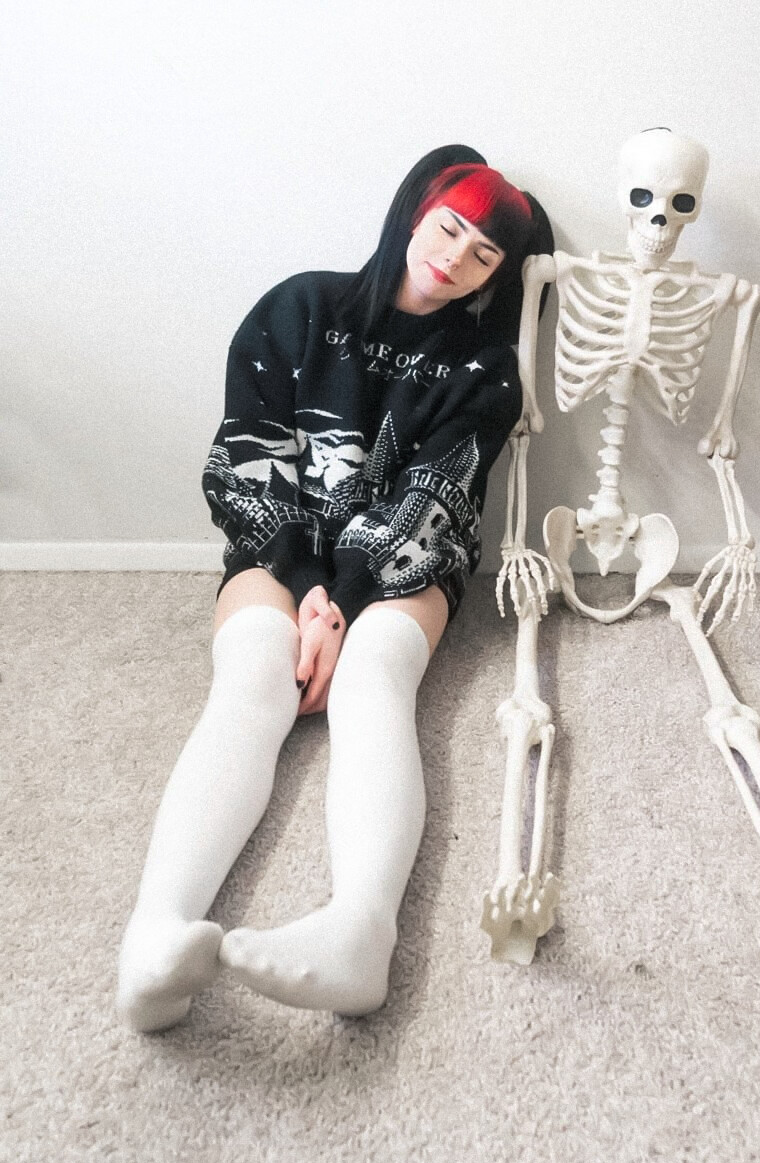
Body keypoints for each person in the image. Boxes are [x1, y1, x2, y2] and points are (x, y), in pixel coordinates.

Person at [116, 145, 553, 1031]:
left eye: (483, 255)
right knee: (251, 675)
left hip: (405, 560)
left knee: (374, 679)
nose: (456, 259)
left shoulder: (485, 368)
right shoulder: (299, 307)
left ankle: (362, 933)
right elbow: (247, 455)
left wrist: (346, 606)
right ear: (413, 213)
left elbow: (432, 499)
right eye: (448, 229)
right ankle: (153, 937)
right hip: (281, 543)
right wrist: (308, 587)